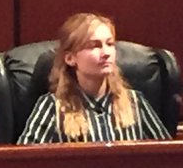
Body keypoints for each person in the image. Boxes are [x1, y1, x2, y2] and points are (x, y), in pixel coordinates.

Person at [17, 12, 170, 144]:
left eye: (110, 44)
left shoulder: (135, 102)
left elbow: (166, 157)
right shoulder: (52, 107)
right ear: (70, 58)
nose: (106, 53)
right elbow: (25, 163)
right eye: (94, 46)